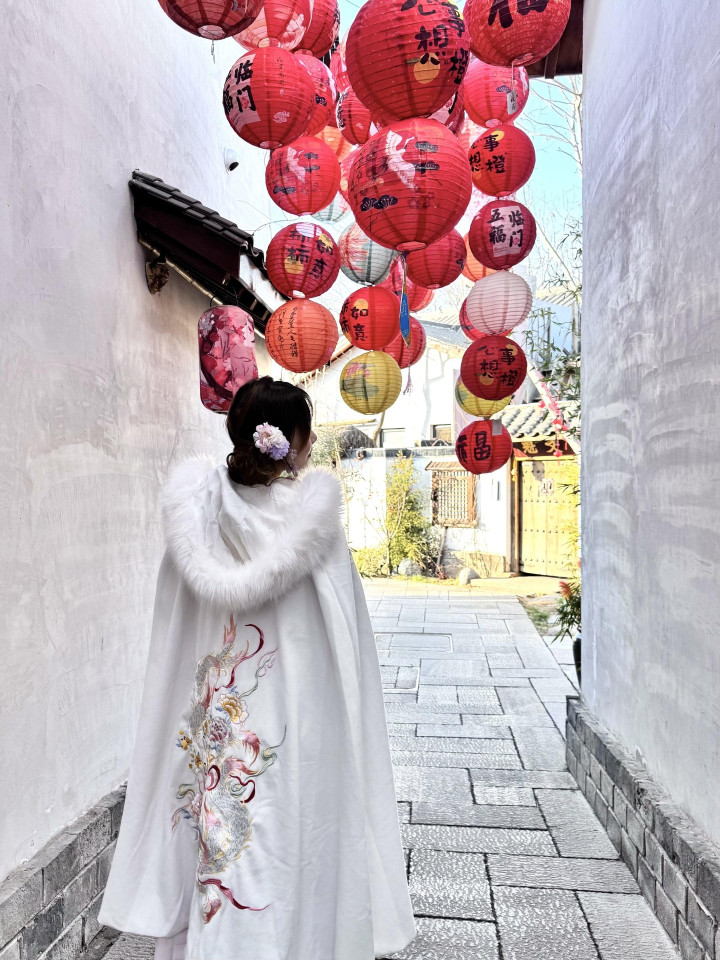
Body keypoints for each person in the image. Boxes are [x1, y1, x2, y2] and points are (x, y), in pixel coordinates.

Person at [98, 377, 416, 960]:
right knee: (291, 837)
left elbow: (175, 638)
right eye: (307, 431)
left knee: (223, 839)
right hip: (298, 724)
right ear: (292, 441)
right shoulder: (314, 530)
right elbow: (344, 641)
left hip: (223, 724)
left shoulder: (196, 525)